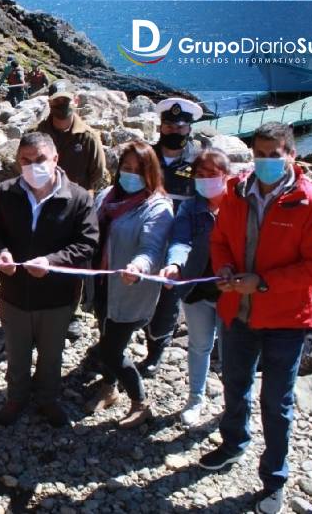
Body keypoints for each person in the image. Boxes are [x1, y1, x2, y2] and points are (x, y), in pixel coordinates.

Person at [198, 122, 312, 514]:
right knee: (234, 385)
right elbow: (220, 240)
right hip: (236, 312)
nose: (266, 161)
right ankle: (232, 444)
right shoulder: (236, 192)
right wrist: (224, 269)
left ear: (291, 155)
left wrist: (261, 284)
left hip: (286, 319)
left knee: (276, 402)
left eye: (274, 155)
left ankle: (274, 477)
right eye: (260, 153)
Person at [0, 132, 99, 427]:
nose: (33, 165)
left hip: (57, 297)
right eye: (26, 160)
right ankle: (16, 398)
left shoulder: (79, 197)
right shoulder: (6, 191)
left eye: (40, 159)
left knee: (51, 355)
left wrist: (52, 262)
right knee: (17, 353)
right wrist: (2, 253)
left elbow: (87, 243)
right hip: (14, 294)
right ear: (18, 162)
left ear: (55, 159)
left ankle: (48, 399)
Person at [84, 141, 173, 429]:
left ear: (150, 173)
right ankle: (109, 388)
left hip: (131, 288)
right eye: (126, 168)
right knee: (106, 331)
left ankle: (140, 402)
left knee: (111, 349)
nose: (130, 174)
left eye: (138, 169)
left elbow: (152, 247)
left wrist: (139, 266)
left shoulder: (157, 207)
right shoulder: (108, 196)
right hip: (103, 283)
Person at [158, 149, 231, 426]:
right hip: (196, 289)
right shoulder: (191, 207)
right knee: (199, 345)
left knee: (230, 352)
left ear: (226, 175)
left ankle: (232, 404)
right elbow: (180, 240)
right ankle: (195, 399)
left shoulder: (238, 206)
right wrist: (175, 265)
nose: (205, 180)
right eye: (199, 174)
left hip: (231, 290)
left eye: (212, 174)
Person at [137, 97, 205, 377]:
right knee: (138, 287)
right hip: (147, 231)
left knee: (169, 293)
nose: (173, 131)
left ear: (189, 128)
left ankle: (156, 350)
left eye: (180, 126)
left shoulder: (200, 158)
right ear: (160, 127)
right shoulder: (147, 156)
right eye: (168, 126)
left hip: (181, 236)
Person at [36, 89, 108, 341]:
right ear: (50, 102)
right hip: (43, 206)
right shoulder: (39, 133)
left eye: (65, 100)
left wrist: (83, 200)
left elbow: (98, 174)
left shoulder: (88, 137)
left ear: (74, 101)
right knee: (42, 257)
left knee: (72, 263)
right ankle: (40, 309)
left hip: (75, 210)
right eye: (57, 101)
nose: (61, 105)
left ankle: (70, 313)